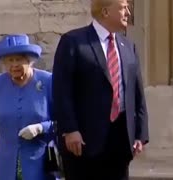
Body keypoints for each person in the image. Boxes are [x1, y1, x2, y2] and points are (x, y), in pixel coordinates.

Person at [52, 0, 149, 179]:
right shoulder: (73, 42)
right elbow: (61, 90)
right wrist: (70, 129)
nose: (128, 12)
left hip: (120, 141)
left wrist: (140, 134)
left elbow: (137, 94)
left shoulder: (128, 46)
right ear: (105, 11)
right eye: (123, 8)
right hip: (83, 143)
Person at [0, 34, 55, 180]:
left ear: (29, 61)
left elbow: (63, 122)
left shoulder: (47, 81)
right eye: (10, 60)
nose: (14, 64)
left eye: (19, 59)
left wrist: (40, 128)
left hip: (40, 165)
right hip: (6, 167)